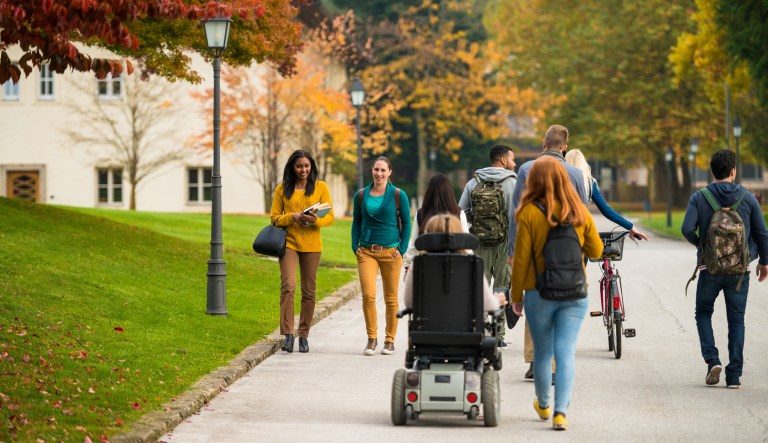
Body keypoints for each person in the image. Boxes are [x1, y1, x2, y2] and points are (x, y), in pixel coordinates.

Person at [510, 157, 603, 431]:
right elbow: (597, 251)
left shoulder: (527, 213)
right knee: (566, 352)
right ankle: (561, 413)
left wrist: (516, 296)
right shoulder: (579, 211)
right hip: (574, 292)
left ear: (534, 181)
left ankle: (544, 404)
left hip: (538, 293)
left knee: (543, 353)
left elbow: (521, 260)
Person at [681, 149, 768, 388]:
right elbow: (762, 233)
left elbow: (687, 228)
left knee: (703, 313)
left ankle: (712, 360)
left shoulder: (700, 197)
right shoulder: (748, 198)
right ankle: (734, 376)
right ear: (733, 171)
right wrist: (764, 262)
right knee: (737, 320)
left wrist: (703, 247)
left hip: (710, 270)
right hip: (739, 272)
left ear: (712, 171)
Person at [510, 124, 589, 380]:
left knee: (535, 300)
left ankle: (535, 362)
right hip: (566, 248)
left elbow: (517, 215)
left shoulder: (525, 169)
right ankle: (556, 364)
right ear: (564, 147)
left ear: (543, 144)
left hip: (534, 246)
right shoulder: (576, 173)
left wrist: (513, 250)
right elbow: (583, 216)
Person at [270, 150, 334, 354]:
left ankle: (304, 334)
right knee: (288, 286)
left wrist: (316, 220)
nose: (303, 170)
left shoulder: (320, 187)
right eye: (299, 166)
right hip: (289, 243)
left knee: (309, 291)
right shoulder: (282, 189)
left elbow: (330, 216)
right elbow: (274, 218)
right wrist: (292, 217)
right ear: (292, 167)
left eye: (307, 166)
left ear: (311, 167)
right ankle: (288, 334)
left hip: (312, 245)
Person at [352, 157, 412, 356]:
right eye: (376, 170)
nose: (379, 174)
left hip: (391, 252)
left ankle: (389, 340)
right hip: (367, 251)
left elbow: (407, 223)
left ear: (389, 172)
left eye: (383, 170)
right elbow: (356, 222)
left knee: (391, 298)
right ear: (372, 171)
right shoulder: (361, 195)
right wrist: (355, 245)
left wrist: (401, 250)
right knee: (368, 295)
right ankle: (371, 339)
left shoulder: (398, 195)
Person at [458, 144, 517, 347]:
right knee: (501, 288)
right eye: (512, 159)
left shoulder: (474, 182)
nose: (514, 163)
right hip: (505, 244)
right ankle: (499, 336)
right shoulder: (513, 184)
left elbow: (461, 212)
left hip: (479, 242)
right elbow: (516, 217)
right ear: (502, 160)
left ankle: (480, 333)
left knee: (480, 287)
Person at [403, 213, 506, 311]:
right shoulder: (472, 264)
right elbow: (487, 304)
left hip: (426, 328)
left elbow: (409, 303)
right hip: (466, 328)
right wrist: (497, 300)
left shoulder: (418, 264)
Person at [565, 149, 648, 241]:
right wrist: (630, 226)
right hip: (581, 230)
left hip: (561, 230)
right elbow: (606, 211)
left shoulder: (561, 180)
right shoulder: (589, 183)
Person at [403, 173, 469, 276]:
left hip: (428, 268)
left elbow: (414, 244)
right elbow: (466, 243)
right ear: (449, 193)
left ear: (429, 192)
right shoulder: (459, 214)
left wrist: (408, 265)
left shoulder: (421, 214)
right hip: (455, 267)